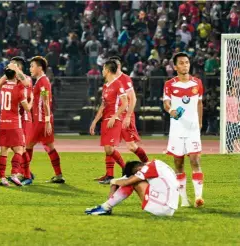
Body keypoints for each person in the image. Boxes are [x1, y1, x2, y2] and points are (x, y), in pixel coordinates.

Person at [163, 52, 204, 207]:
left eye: (186, 62)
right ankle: (184, 199)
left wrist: (199, 123)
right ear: (175, 66)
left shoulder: (197, 83)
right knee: (178, 163)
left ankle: (198, 197)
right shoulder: (169, 84)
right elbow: (166, 103)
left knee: (195, 160)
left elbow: (200, 103)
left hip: (192, 128)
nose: (185, 65)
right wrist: (170, 110)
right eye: (181, 63)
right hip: (177, 129)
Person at [23, 56, 65, 183]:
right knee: (49, 147)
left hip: (41, 120)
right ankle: (58, 175)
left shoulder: (43, 82)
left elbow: (46, 102)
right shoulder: (42, 81)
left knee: (27, 147)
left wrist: (46, 121)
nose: (30, 68)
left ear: (40, 68)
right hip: (43, 119)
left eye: (32, 66)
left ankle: (24, 175)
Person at [85, 160, 179, 217]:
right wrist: (116, 181)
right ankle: (105, 207)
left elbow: (126, 182)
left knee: (132, 182)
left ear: (138, 169)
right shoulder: (158, 164)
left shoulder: (147, 168)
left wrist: (112, 181)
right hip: (169, 208)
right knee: (129, 180)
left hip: (161, 208)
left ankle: (105, 208)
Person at [0, 56, 34, 185]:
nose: (10, 65)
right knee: (19, 149)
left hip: (22, 118)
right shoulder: (14, 83)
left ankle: (25, 173)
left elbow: (27, 83)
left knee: (20, 148)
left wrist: (15, 70)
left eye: (13, 64)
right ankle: (23, 172)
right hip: (16, 118)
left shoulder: (25, 78)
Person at [89, 60, 128, 184]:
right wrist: (94, 121)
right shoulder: (106, 86)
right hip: (105, 119)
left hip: (114, 120)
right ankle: (109, 175)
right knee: (107, 148)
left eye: (103, 69)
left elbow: (125, 103)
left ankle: (126, 170)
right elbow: (103, 105)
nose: (102, 71)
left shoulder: (118, 84)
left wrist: (114, 116)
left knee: (109, 149)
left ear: (107, 70)